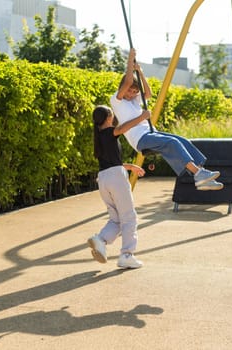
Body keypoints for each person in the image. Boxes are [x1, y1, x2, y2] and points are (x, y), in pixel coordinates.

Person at [110, 48, 224, 191]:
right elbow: (127, 82)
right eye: (130, 91)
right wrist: (130, 59)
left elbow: (149, 93)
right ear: (122, 88)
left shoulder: (133, 100)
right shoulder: (117, 100)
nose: (132, 94)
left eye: (134, 92)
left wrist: (140, 72)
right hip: (140, 139)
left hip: (150, 133)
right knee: (172, 143)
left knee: (183, 141)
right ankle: (198, 174)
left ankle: (202, 176)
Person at [87, 105, 148, 269]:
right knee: (129, 217)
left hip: (104, 179)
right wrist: (143, 117)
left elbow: (112, 163)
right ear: (108, 118)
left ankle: (100, 240)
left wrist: (130, 167)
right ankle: (127, 255)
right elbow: (122, 128)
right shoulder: (109, 132)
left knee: (117, 219)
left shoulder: (99, 137)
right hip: (115, 178)